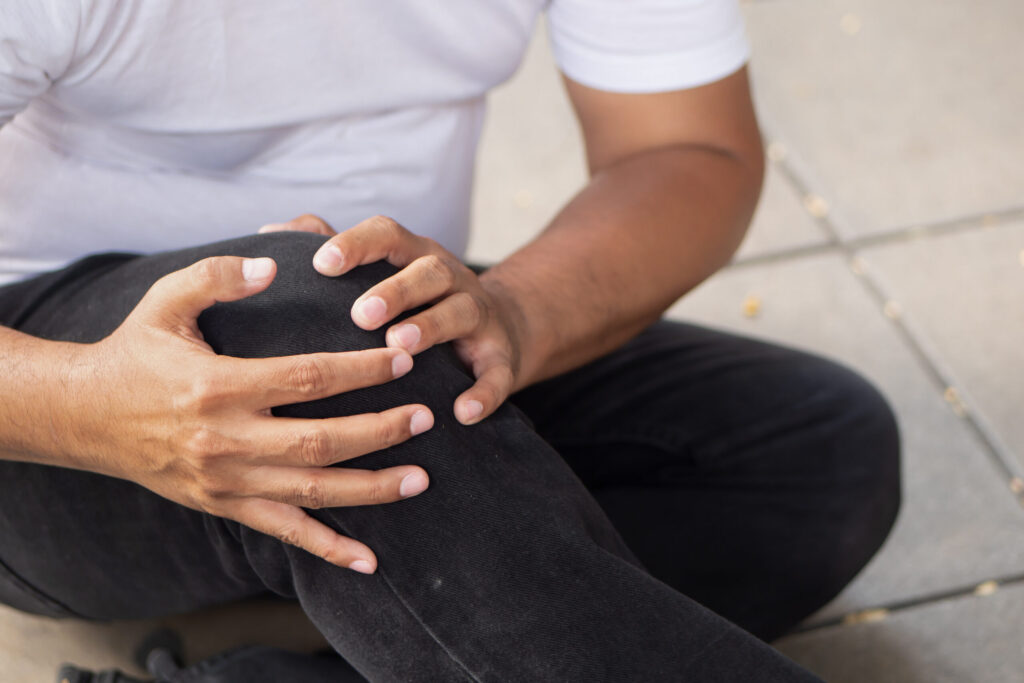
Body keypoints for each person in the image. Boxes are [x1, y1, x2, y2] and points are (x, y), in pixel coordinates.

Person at [0, 1, 900, 681]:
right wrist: (92, 404)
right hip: (58, 418)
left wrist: (516, 309)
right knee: (309, 319)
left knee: (816, 449)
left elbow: (688, 148)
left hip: (385, 340)